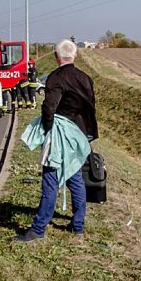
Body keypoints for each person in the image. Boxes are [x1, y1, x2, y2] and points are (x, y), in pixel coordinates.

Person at [15, 39, 97, 242]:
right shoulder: (85, 78)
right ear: (75, 55)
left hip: (60, 133)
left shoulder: (56, 77)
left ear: (56, 56)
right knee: (75, 177)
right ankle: (78, 226)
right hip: (79, 133)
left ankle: (38, 229)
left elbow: (49, 107)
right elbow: (91, 107)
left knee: (50, 179)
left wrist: (47, 127)